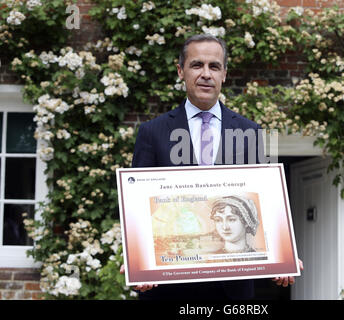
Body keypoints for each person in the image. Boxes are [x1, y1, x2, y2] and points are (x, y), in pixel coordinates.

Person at [123, 34, 301, 300]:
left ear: (225, 74)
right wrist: (136, 260)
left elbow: (264, 202)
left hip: (232, 291)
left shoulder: (250, 132)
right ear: (181, 71)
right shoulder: (153, 132)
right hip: (169, 287)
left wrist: (283, 255)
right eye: (197, 65)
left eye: (214, 66)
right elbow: (137, 207)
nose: (206, 74)